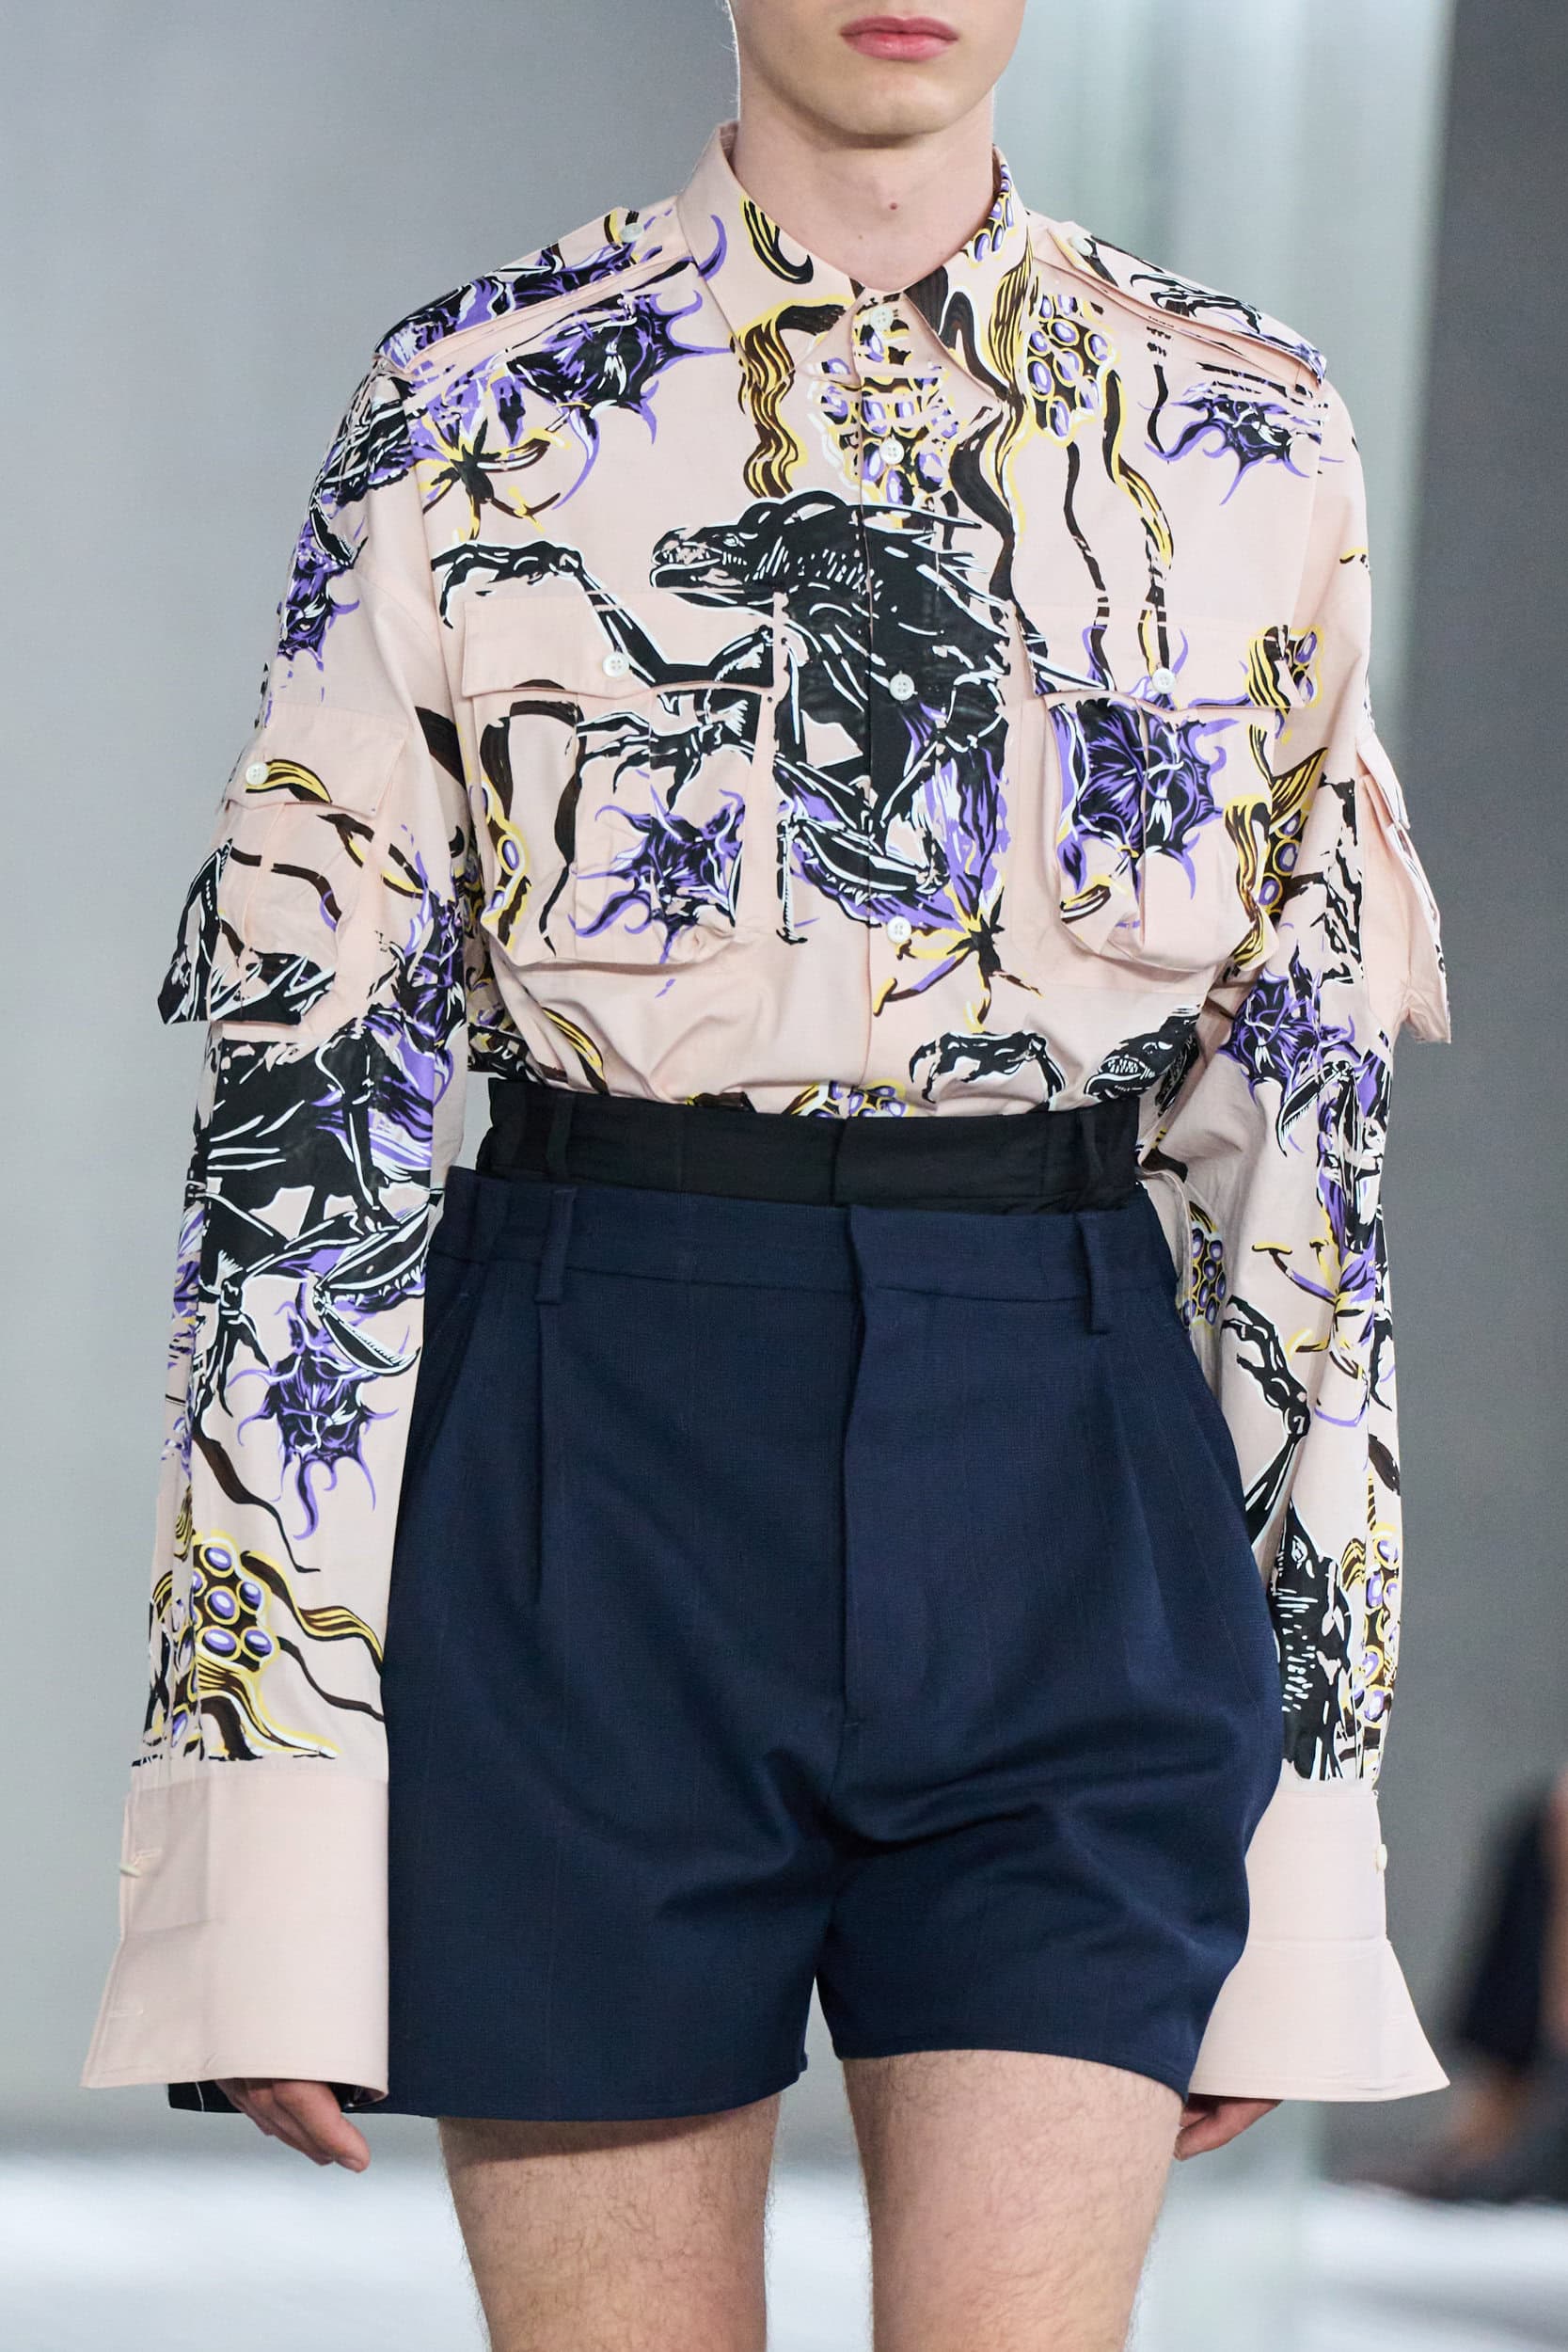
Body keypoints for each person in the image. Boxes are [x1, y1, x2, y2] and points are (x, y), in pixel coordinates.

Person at [81, 1, 1454, 2342]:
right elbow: (308, 1139)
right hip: (589, 1463)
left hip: (1071, 1475)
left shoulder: (1238, 422)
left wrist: (1310, 1832)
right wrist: (265, 1836)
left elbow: (1303, 1152)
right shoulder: (478, 399)